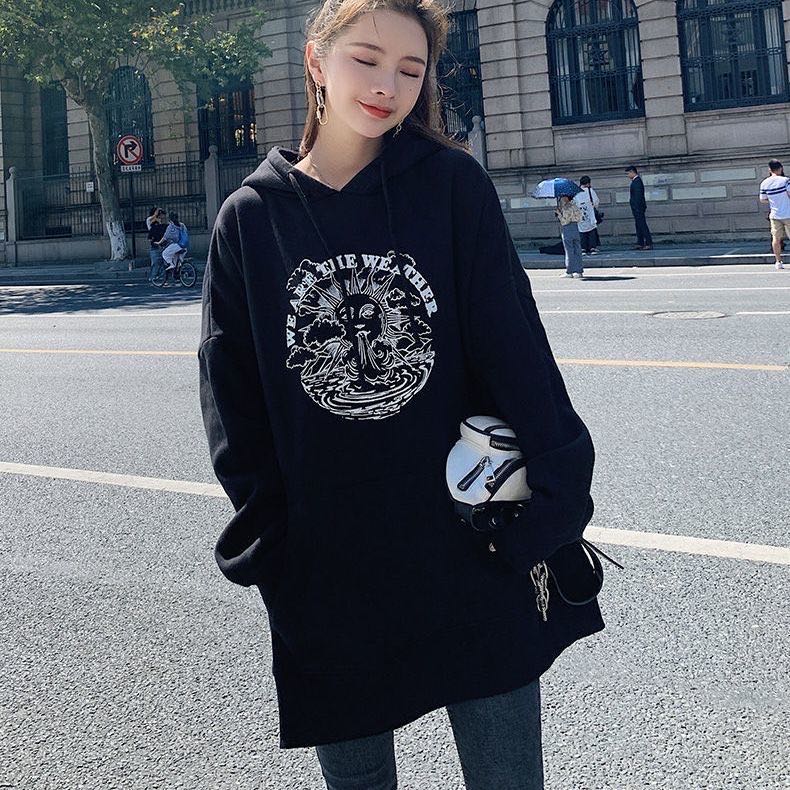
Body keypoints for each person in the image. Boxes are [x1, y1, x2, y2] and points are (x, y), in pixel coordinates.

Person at [198, 2, 603, 787]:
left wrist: (555, 499)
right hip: (331, 570)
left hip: (472, 547)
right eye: (367, 59)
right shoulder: (251, 220)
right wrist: (274, 550)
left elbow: (516, 351)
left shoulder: (450, 186)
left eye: (411, 71)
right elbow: (232, 403)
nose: (388, 85)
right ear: (316, 61)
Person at [758, 159, 790, 270]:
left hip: (775, 214)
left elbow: (763, 199)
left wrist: (773, 200)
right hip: (788, 213)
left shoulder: (764, 183)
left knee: (776, 239)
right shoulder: (785, 180)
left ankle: (778, 261)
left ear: (769, 169)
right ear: (780, 168)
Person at [556, 194, 584, 278]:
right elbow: (580, 217)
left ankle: (569, 271)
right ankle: (579, 271)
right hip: (575, 228)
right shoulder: (575, 206)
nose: (562, 199)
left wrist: (559, 214)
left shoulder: (566, 207)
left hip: (567, 229)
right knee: (577, 250)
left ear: (566, 198)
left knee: (569, 251)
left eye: (563, 197)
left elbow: (564, 221)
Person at [626, 164, 652, 250]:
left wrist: (636, 207)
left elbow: (638, 196)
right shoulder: (636, 181)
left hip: (638, 208)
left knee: (642, 225)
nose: (628, 175)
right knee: (638, 225)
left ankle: (648, 243)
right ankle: (640, 242)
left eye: (628, 173)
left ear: (632, 172)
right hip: (637, 207)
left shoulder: (637, 182)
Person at [574, 175, 600, 255]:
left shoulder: (576, 192)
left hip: (580, 214)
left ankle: (583, 248)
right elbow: (596, 201)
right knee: (592, 231)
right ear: (588, 183)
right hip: (590, 213)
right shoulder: (590, 191)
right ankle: (592, 248)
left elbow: (574, 203)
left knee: (582, 231)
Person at [160, 211, 188, 277]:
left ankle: (171, 265)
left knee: (164, 254)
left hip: (177, 245)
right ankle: (179, 275)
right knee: (177, 262)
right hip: (185, 245)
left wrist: (159, 242)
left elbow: (165, 237)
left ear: (170, 218)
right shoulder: (182, 225)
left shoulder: (171, 226)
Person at [147, 208, 167, 283]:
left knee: (161, 263)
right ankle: (154, 277)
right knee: (156, 263)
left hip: (160, 245)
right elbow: (150, 238)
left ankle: (159, 277)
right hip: (156, 246)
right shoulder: (152, 224)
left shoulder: (163, 226)